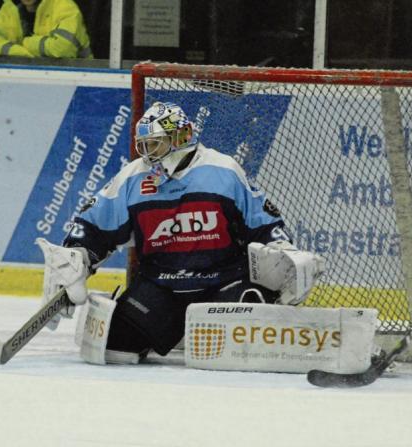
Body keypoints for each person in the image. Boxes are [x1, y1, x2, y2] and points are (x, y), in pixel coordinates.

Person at [36, 101, 324, 364]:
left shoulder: (222, 170)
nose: (148, 155)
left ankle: (199, 328)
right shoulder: (133, 177)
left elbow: (263, 224)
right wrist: (76, 253)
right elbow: (95, 224)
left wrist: (284, 252)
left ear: (180, 139)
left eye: (156, 145)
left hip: (223, 284)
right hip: (162, 285)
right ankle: (173, 328)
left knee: (239, 353)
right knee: (116, 349)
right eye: (144, 146)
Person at [0, 0, 92, 58]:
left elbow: (62, 49)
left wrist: (25, 42)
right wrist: (22, 53)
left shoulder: (65, 6)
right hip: (29, 78)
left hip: (79, 81)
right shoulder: (10, 9)